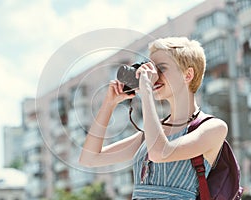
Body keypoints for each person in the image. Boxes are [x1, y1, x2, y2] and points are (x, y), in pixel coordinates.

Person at [79, 37, 227, 199]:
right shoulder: (152, 134)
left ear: (188, 75)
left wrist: (146, 90)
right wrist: (109, 103)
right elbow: (89, 158)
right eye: (150, 69)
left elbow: (159, 153)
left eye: (161, 69)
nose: (153, 75)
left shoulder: (214, 127)